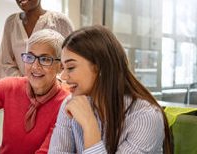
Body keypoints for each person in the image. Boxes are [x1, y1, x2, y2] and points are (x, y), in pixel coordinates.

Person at [49, 25, 172, 154]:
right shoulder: (71, 104)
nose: (63, 76)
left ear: (99, 67)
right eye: (63, 68)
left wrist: (89, 125)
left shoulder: (145, 117)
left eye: (71, 67)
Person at [0, 0, 73, 77]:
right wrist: (24, 83)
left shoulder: (60, 22)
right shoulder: (11, 22)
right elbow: (6, 62)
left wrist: (51, 84)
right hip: (20, 86)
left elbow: (70, 60)